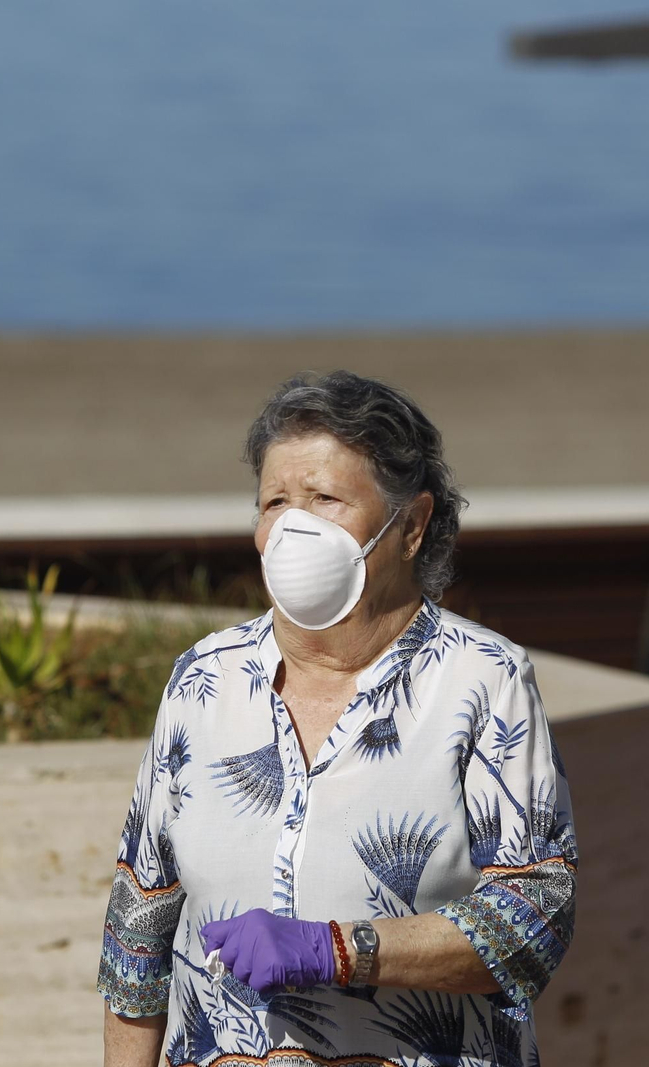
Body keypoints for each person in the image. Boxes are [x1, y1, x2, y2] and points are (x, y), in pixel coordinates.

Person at [97, 370, 577, 1066]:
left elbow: (538, 915)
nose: (295, 526)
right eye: (276, 501)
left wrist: (336, 950)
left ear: (411, 525)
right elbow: (136, 934)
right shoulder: (204, 679)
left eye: (325, 498)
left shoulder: (483, 681)